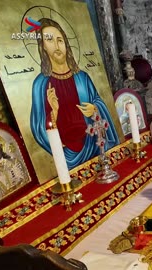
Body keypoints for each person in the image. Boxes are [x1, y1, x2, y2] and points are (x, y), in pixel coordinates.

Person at [30, 18, 119, 169]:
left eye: (60, 40)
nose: (57, 46)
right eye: (50, 40)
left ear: (66, 43)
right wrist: (54, 112)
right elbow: (38, 127)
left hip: (94, 144)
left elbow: (98, 102)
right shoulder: (41, 84)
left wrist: (95, 109)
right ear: (43, 46)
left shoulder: (82, 78)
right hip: (66, 155)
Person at [0, 139, 30, 205]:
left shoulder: (14, 162)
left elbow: (25, 178)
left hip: (24, 196)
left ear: (0, 147)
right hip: (6, 203)